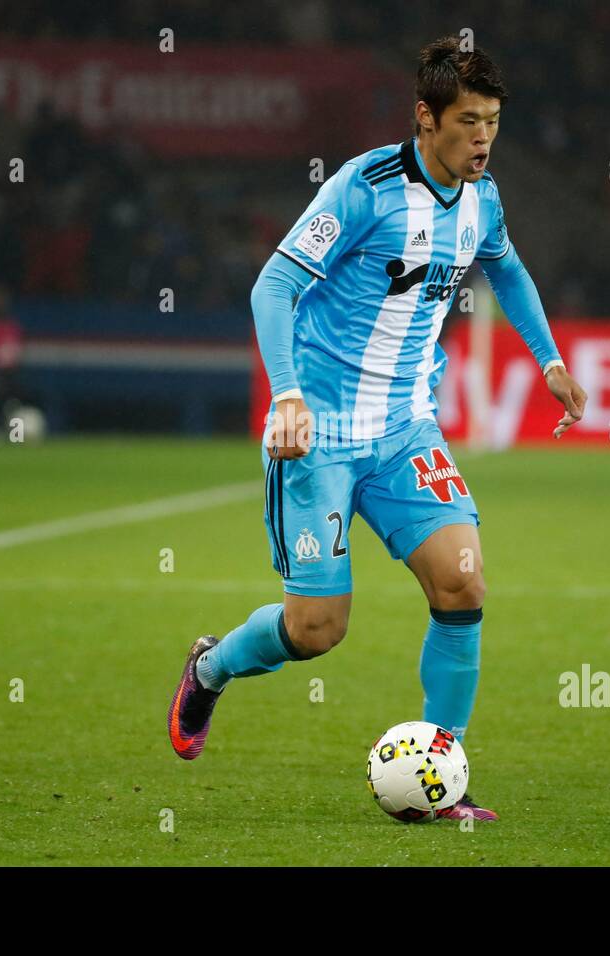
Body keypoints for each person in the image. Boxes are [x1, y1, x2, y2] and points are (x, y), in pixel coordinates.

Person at [166, 37, 587, 821]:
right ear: (424, 117)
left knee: (462, 584)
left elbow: (508, 267)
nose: (483, 139)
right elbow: (273, 287)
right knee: (317, 629)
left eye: (493, 122)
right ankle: (212, 669)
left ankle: (442, 775)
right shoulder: (365, 187)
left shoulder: (483, 198)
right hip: (319, 435)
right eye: (468, 122)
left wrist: (550, 362)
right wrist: (286, 397)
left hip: (405, 432)